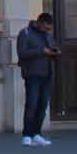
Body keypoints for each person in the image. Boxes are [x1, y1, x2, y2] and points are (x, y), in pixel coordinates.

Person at [17, 11, 59, 146]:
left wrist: (55, 52)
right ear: (40, 22)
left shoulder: (48, 35)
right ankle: (27, 135)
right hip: (32, 75)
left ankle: (37, 134)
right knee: (32, 105)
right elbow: (22, 53)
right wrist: (41, 51)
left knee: (42, 106)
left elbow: (53, 47)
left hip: (47, 75)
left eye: (50, 29)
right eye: (46, 28)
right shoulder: (25, 33)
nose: (48, 31)